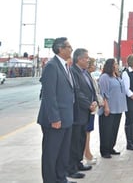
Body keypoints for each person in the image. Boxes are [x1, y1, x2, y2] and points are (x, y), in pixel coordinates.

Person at [37, 37, 75, 183]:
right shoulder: (52, 66)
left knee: (63, 153)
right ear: (60, 49)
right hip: (55, 120)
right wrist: (55, 118)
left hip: (66, 118)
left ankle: (60, 178)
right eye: (69, 46)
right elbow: (49, 95)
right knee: (51, 154)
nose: (71, 49)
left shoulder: (65, 66)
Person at [67, 48, 97, 179]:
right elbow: (77, 92)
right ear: (79, 59)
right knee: (75, 141)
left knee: (81, 139)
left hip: (86, 112)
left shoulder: (85, 72)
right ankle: (71, 168)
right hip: (78, 112)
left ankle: (78, 162)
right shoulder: (73, 72)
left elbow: (92, 90)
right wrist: (88, 104)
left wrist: (95, 101)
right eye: (86, 58)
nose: (88, 60)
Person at [98, 58, 128, 158]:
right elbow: (103, 93)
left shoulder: (117, 77)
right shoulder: (105, 77)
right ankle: (104, 150)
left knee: (114, 129)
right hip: (109, 108)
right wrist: (106, 106)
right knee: (106, 130)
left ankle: (111, 147)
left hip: (118, 107)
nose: (117, 66)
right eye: (115, 64)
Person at [84, 57, 102, 165]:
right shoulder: (85, 75)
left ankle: (87, 153)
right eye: (94, 64)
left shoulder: (89, 76)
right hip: (87, 108)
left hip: (92, 107)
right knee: (86, 132)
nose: (95, 66)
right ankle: (86, 154)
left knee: (88, 132)